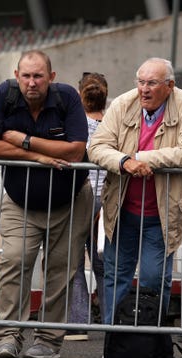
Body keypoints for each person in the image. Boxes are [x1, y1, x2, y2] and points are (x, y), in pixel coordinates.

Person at [0, 50, 93, 358]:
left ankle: (48, 342)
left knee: (61, 272)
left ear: (51, 78)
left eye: (38, 76)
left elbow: (74, 150)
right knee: (14, 261)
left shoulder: (67, 98)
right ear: (17, 75)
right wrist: (37, 156)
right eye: (26, 76)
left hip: (71, 202)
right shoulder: (4, 95)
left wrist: (23, 140)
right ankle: (8, 337)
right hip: (20, 203)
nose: (32, 82)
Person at [88, 57, 182, 325]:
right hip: (122, 210)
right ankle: (113, 339)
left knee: (154, 278)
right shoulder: (122, 104)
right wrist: (125, 162)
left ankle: (151, 340)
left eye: (152, 83)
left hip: (161, 215)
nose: (144, 89)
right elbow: (97, 147)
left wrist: (142, 158)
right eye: (140, 82)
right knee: (117, 276)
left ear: (170, 85)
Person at [64, 72, 108, 341]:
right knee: (104, 264)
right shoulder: (113, 126)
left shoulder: (76, 126)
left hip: (80, 197)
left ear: (81, 96)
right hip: (107, 199)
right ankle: (112, 321)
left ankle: (77, 323)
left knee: (74, 262)